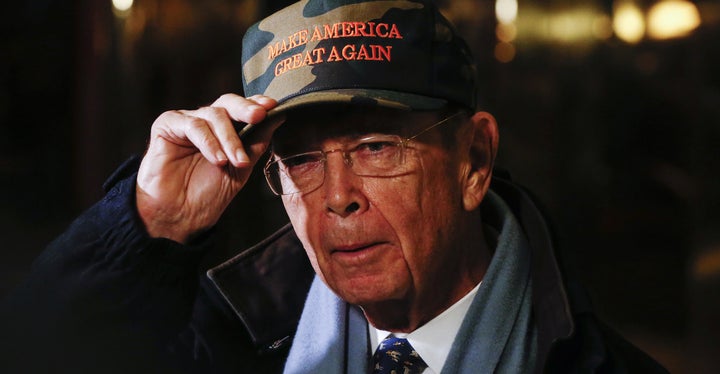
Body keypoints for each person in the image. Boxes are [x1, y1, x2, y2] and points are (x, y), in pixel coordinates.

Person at [1, 0, 668, 373]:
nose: (336, 198)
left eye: (376, 147)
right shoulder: (222, 339)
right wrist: (147, 228)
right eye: (301, 160)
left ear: (474, 160)